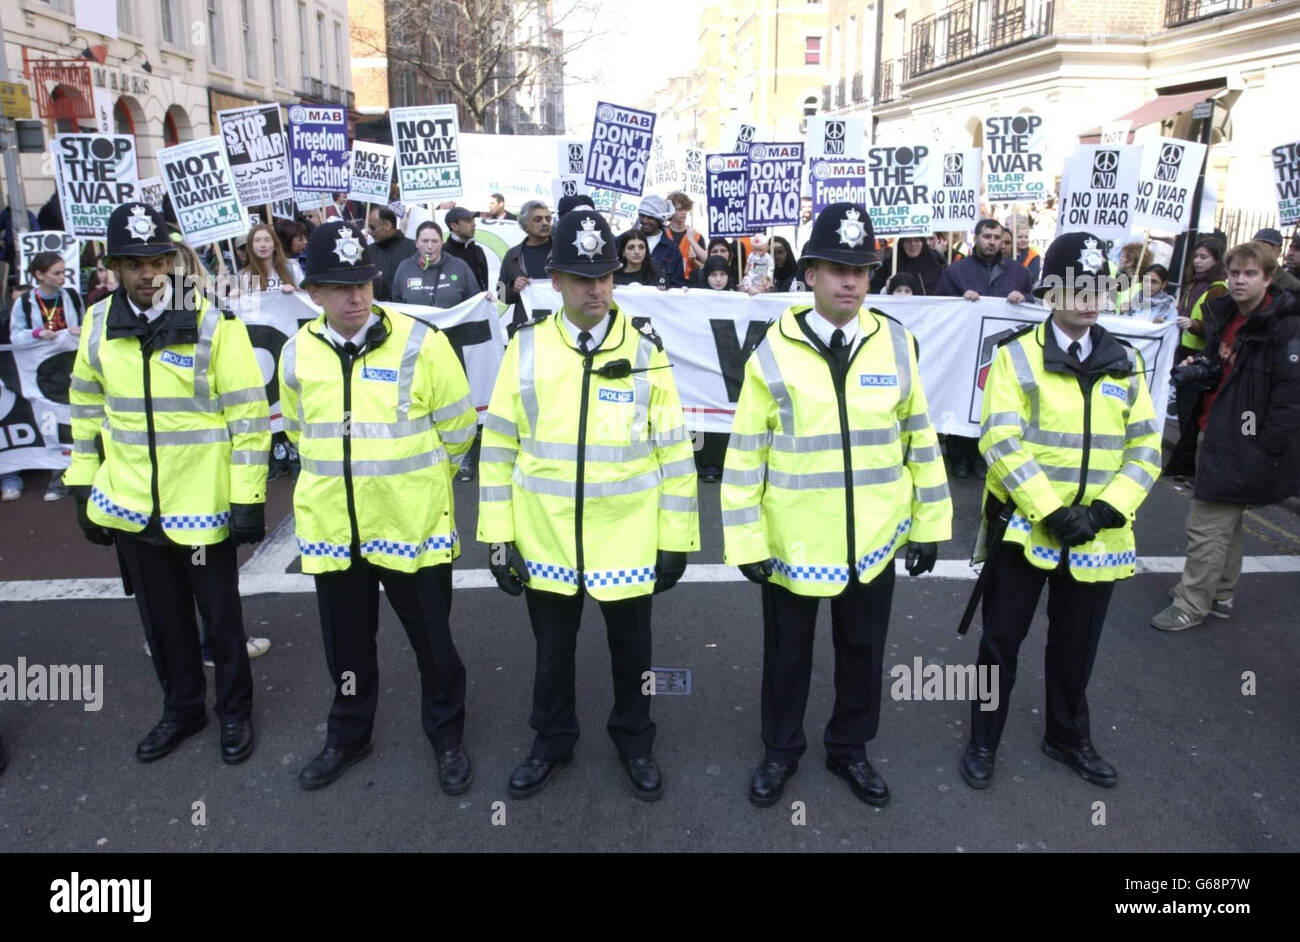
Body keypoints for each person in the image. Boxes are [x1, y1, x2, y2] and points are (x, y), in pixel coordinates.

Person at [722, 202, 951, 807]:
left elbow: (918, 439)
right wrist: (745, 540)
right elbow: (745, 453)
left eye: (862, 269)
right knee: (787, 657)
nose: (852, 281)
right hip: (793, 542)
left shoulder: (896, 345)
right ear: (811, 275)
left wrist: (928, 523)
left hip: (873, 541)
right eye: (836, 268)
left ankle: (851, 747)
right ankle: (780, 751)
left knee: (863, 654)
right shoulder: (773, 351)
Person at [478, 209, 699, 801]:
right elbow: (498, 446)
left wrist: (676, 538)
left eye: (602, 274)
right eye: (581, 277)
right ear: (555, 280)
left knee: (634, 656)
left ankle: (635, 741)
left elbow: (675, 450)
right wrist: (498, 535)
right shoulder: (525, 350)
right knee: (551, 655)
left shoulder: (647, 351)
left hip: (626, 539)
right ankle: (551, 740)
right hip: (546, 538)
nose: (595, 287)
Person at [66, 202, 270, 765]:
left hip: (202, 506)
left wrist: (248, 497)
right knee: (163, 623)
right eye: (135, 264)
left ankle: (234, 714)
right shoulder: (97, 323)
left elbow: (249, 417)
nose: (149, 273)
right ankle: (182, 710)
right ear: (114, 267)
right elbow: (85, 409)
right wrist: (84, 486)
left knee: (222, 624)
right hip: (132, 505)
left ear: (173, 261)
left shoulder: (212, 320)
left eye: (158, 260)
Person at [280, 220, 478, 792]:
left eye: (363, 282)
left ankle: (446, 738)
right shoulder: (297, 354)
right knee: (346, 648)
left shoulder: (422, 342)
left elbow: (459, 428)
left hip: (411, 526)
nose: (356, 296)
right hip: (335, 530)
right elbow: (298, 432)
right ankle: (348, 735)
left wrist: (410, 487)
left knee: (434, 644)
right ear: (313, 292)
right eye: (340, 286)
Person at [966, 230, 1161, 790]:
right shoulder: (1016, 356)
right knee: (1000, 644)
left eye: (1099, 285)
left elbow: (1146, 446)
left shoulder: (1124, 361)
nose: (1090, 296)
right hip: (1027, 529)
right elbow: (1001, 441)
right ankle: (984, 739)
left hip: (1098, 536)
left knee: (1076, 647)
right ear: (1050, 291)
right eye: (1077, 285)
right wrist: (1051, 511)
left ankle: (1067, 736)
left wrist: (1104, 511)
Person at [1151, 241, 1300, 632]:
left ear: (1268, 278)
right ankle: (1220, 593)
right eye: (1234, 272)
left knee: (1205, 524)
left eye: (1250, 274)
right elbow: (1226, 370)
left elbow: (1290, 400)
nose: (1239, 280)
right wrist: (1202, 367)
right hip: (1212, 429)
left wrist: (1262, 446)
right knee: (1228, 522)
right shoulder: (1228, 315)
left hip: (1242, 441)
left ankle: (1190, 603)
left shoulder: (1285, 327)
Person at [934, 218, 1033, 479]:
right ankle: (958, 457)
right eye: (987, 236)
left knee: (992, 401)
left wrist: (1024, 299)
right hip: (965, 351)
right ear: (975, 238)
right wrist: (960, 301)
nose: (992, 242)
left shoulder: (1019, 273)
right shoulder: (955, 271)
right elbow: (941, 307)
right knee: (962, 397)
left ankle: (982, 457)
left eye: (997, 237)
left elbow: (1033, 306)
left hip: (1000, 352)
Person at [5, 251, 84, 501]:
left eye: (63, 272)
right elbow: (15, 336)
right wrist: (37, 333)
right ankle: (57, 480)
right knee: (50, 422)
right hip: (41, 374)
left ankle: (78, 476)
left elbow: (85, 324)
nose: (63, 277)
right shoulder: (25, 302)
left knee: (75, 420)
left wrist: (78, 329)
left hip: (69, 368)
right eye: (57, 273)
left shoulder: (71, 296)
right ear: (40, 275)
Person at [1165, 236, 1228, 477]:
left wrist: (1193, 325)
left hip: (1198, 356)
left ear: (1215, 260)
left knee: (1191, 415)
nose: (1198, 262)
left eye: (1204, 257)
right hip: (1184, 352)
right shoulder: (1194, 285)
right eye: (1196, 256)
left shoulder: (1218, 289)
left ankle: (1186, 467)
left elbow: (1213, 327)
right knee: (1185, 413)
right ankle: (1184, 465)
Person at [391, 221, 481, 307]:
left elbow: (475, 301)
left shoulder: (459, 266)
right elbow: (396, 303)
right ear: (416, 243)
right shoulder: (405, 268)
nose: (430, 246)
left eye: (435, 241)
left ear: (442, 243)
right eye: (425, 241)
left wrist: (485, 298)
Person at [619, 195, 686, 288]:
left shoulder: (672, 250)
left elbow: (677, 286)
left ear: (660, 220)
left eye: (650, 217)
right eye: (642, 216)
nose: (645, 221)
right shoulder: (623, 240)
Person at [498, 200, 552, 310]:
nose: (545, 223)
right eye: (538, 219)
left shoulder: (563, 251)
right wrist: (513, 287)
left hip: (560, 320)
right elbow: (501, 295)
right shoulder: (512, 255)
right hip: (526, 322)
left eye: (548, 219)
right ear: (525, 224)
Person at [366, 207, 415, 302]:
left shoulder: (413, 248)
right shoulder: (368, 251)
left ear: (387, 225)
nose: (368, 231)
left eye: (372, 227)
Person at [869, 236, 945, 295]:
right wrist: (886, 289)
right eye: (908, 241)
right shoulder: (889, 266)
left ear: (923, 243)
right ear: (901, 244)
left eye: (916, 240)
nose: (913, 244)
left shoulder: (935, 268)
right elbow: (872, 290)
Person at [239, 223, 302, 294]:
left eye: (267, 240)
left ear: (275, 245)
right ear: (251, 246)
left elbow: (307, 298)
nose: (262, 245)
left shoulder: (292, 267)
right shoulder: (243, 274)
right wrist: (229, 294)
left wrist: (294, 293)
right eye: (257, 240)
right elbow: (235, 303)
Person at [442, 207, 489, 292]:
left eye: (473, 220)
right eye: (468, 221)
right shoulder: (442, 252)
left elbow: (484, 284)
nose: (474, 224)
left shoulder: (478, 251)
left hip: (476, 303)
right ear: (454, 226)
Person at [665, 191, 707, 281]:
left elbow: (707, 268)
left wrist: (693, 261)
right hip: (667, 282)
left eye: (685, 209)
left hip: (690, 284)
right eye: (679, 209)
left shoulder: (697, 236)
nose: (684, 212)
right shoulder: (662, 234)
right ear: (670, 211)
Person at [1250, 228, 1300, 294]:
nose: (1289, 253)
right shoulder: (1237, 274)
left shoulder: (1293, 285)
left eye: (1269, 247)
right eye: (1257, 246)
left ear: (1279, 251)